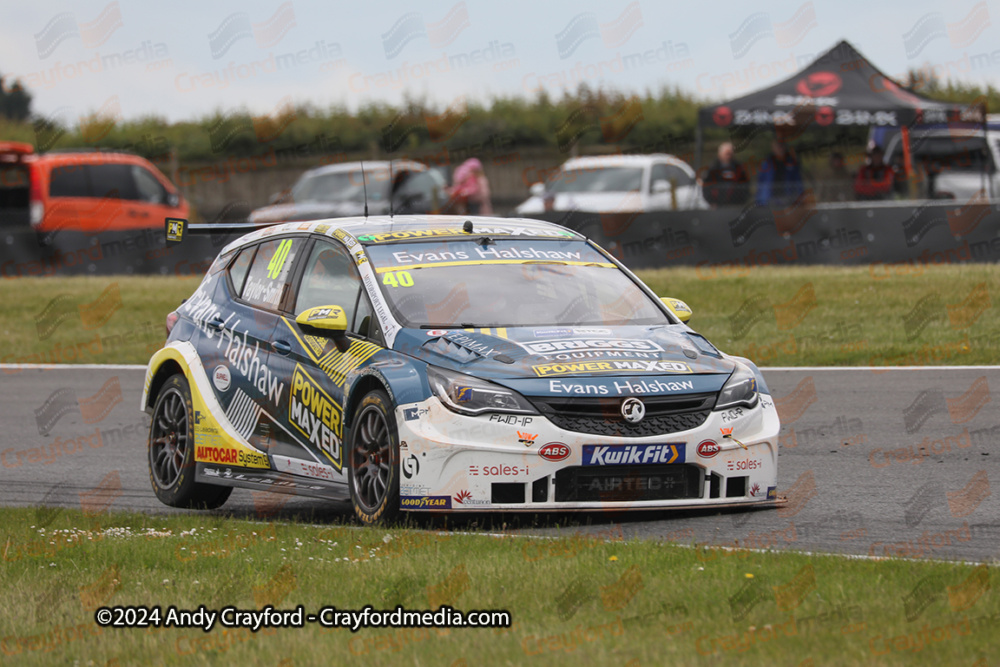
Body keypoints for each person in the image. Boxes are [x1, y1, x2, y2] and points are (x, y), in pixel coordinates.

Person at [755, 139, 804, 208]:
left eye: (781, 146)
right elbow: (761, 181)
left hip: (787, 198)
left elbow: (798, 182)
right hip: (769, 199)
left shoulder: (791, 163)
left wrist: (800, 197)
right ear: (773, 147)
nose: (780, 148)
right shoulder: (766, 163)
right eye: (777, 146)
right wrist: (760, 198)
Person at [702, 142, 750, 207]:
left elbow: (745, 185)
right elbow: (706, 187)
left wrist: (741, 201)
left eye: (730, 154)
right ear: (720, 154)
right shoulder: (712, 169)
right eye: (726, 154)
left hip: (735, 205)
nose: (729, 156)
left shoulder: (739, 168)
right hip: (717, 205)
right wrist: (711, 202)